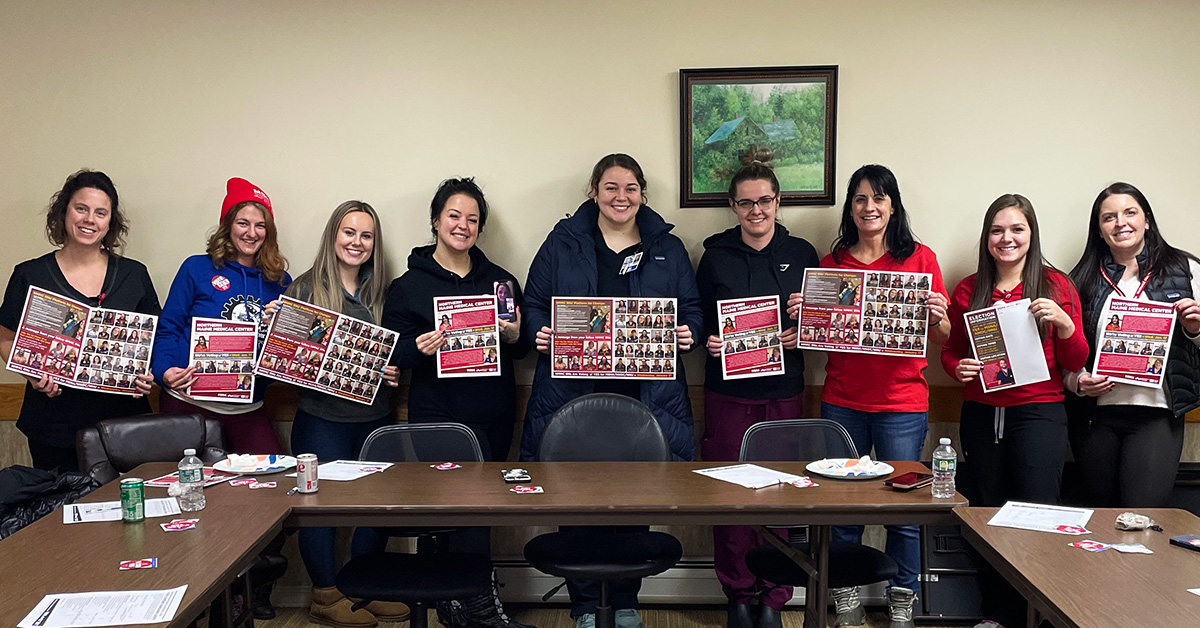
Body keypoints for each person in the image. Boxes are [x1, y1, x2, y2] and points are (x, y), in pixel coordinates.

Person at [521, 154, 702, 628]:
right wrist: (540, 330)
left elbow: (694, 309)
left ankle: (625, 602)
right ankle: (584, 606)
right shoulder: (563, 242)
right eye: (610, 187)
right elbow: (534, 303)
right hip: (574, 399)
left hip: (646, 399)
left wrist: (690, 333)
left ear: (642, 193)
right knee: (576, 501)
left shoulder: (668, 247)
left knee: (636, 501)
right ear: (593, 192)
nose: (621, 197)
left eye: (630, 188)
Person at [786, 164, 949, 625]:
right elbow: (815, 340)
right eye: (860, 199)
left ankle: (902, 602)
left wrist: (937, 315)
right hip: (843, 401)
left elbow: (941, 337)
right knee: (843, 509)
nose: (869, 207)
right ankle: (847, 599)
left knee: (903, 510)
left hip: (902, 404)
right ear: (850, 208)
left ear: (892, 205)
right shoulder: (832, 263)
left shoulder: (921, 258)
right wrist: (805, 315)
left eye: (878, 198)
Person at [381, 178, 532, 628]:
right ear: (435, 221)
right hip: (438, 418)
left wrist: (512, 335)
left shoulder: (501, 282)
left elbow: (522, 350)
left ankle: (463, 606)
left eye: (472, 219)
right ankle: (472, 609)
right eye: (454, 216)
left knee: (481, 511)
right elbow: (392, 352)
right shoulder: (408, 286)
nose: (462, 225)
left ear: (480, 228)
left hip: (494, 414)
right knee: (447, 513)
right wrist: (419, 347)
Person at [695, 155, 818, 628]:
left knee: (778, 495)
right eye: (746, 203)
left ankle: (773, 597)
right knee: (730, 497)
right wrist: (708, 338)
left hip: (783, 390)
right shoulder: (715, 257)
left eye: (764, 201)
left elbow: (825, 325)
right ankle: (738, 595)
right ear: (733, 206)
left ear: (778, 201)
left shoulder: (804, 252)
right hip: (728, 391)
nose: (756, 211)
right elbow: (699, 319)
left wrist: (800, 328)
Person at [273, 200, 404, 628]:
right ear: (333, 236)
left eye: (366, 236)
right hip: (321, 419)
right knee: (319, 508)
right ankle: (325, 593)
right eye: (349, 233)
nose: (357, 242)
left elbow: (401, 356)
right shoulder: (303, 291)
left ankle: (364, 588)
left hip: (376, 419)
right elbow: (283, 368)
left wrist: (394, 368)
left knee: (377, 506)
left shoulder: (386, 292)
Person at [0, 170, 159, 472]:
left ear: (110, 222)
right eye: (81, 208)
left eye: (101, 213)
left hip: (124, 426)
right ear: (64, 212)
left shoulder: (133, 274)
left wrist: (146, 374)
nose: (90, 219)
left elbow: (153, 340)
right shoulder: (30, 274)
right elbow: (5, 337)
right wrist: (31, 373)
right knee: (59, 514)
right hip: (54, 426)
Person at [941, 194, 1087, 515]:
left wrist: (1064, 324)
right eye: (997, 231)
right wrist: (957, 368)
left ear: (1031, 235)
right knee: (984, 508)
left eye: (1017, 229)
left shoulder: (1058, 285)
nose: (1007, 238)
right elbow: (950, 353)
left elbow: (1076, 362)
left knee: (1038, 509)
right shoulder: (968, 289)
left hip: (1039, 415)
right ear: (986, 238)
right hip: (980, 414)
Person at [1065, 182, 1200, 508]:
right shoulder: (1080, 279)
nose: (1120, 223)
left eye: (1130, 212)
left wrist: (1195, 330)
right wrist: (1078, 382)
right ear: (1098, 229)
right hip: (1095, 418)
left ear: (1147, 220)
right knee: (1098, 520)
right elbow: (1064, 352)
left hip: (1157, 415)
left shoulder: (1186, 269)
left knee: (1141, 518)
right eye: (1108, 217)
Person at [151, 177, 291, 454]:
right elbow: (169, 327)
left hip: (248, 408)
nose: (252, 232)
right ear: (227, 226)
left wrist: (278, 331)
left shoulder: (280, 282)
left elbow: (285, 353)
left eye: (260, 225)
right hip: (189, 404)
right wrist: (163, 371)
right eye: (243, 223)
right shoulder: (196, 268)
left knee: (270, 483)